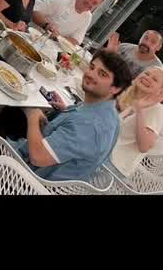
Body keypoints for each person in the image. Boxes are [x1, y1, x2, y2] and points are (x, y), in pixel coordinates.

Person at [8, 50, 132, 182]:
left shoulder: (89, 126)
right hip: (44, 169)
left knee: (5, 115)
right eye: (92, 67)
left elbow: (38, 157)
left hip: (23, 178)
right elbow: (81, 135)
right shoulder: (110, 115)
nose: (90, 74)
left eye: (102, 74)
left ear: (115, 88)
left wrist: (32, 115)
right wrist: (67, 110)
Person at [109, 66, 163, 177]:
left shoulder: (157, 111)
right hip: (105, 155)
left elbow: (144, 146)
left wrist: (139, 109)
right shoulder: (136, 102)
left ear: (161, 92)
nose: (147, 77)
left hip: (113, 168)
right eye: (146, 74)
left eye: (154, 79)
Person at [32, 0, 105, 46]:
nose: (90, 3)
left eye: (94, 3)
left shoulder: (88, 17)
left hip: (53, 47)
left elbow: (76, 40)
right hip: (35, 35)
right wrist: (46, 25)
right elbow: (35, 12)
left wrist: (58, 38)